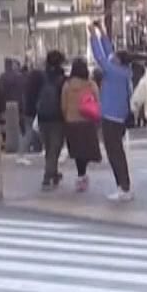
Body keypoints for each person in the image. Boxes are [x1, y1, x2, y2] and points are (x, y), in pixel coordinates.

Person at [88, 25, 134, 200]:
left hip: (111, 117)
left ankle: (123, 187)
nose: (112, 55)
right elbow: (107, 53)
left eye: (114, 56)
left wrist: (93, 36)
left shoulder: (114, 72)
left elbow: (100, 57)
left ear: (118, 60)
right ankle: (124, 186)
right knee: (117, 152)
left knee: (115, 153)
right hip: (119, 116)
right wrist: (103, 33)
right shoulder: (122, 72)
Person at [59, 57, 102, 192]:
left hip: (72, 122)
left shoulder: (67, 85)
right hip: (88, 121)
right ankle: (83, 174)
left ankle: (81, 175)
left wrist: (67, 116)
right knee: (87, 149)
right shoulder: (91, 84)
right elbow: (97, 101)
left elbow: (63, 104)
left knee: (77, 151)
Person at [31, 51, 68, 189]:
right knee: (55, 147)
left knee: (48, 147)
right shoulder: (62, 78)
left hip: (42, 115)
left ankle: (53, 172)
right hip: (57, 116)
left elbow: (32, 95)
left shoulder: (40, 77)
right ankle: (47, 176)